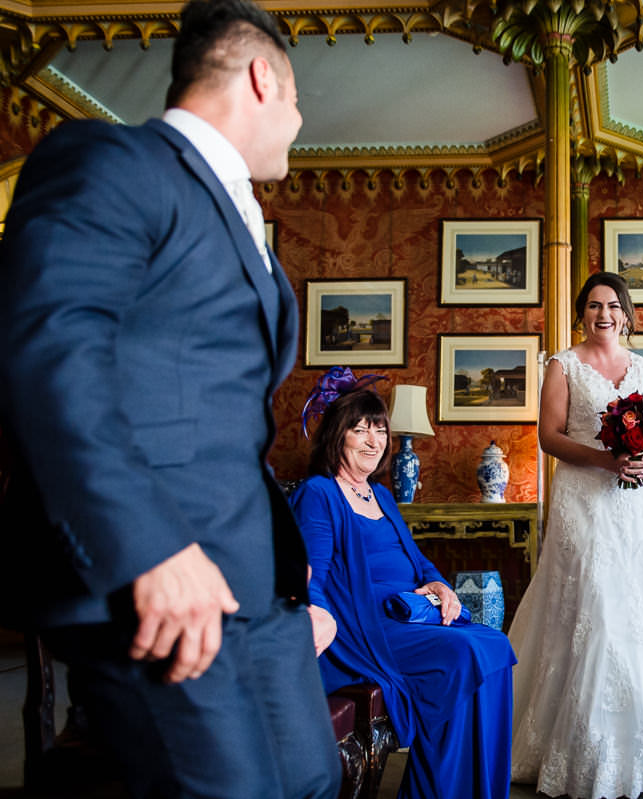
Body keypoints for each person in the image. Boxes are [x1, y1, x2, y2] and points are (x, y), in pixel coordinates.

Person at [0, 0, 341, 796]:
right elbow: (48, 346)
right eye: (296, 101)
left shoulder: (242, 214)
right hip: (153, 583)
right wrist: (147, 546)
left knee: (313, 780)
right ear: (264, 77)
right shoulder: (112, 161)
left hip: (255, 591)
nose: (297, 123)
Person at [508, 272, 643, 799]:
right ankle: (569, 747)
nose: (602, 314)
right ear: (582, 313)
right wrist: (608, 460)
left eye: (612, 305)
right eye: (593, 305)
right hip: (582, 500)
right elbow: (550, 436)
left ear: (626, 314)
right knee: (590, 603)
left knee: (634, 603)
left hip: (632, 500)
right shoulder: (561, 365)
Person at [289, 382, 516, 799]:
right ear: (336, 435)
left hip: (405, 613)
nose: (373, 441)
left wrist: (440, 586)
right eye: (360, 430)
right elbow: (310, 574)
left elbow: (418, 562)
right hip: (364, 625)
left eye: (379, 429)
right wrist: (315, 614)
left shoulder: (381, 495)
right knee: (466, 653)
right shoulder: (319, 494)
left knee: (494, 645)